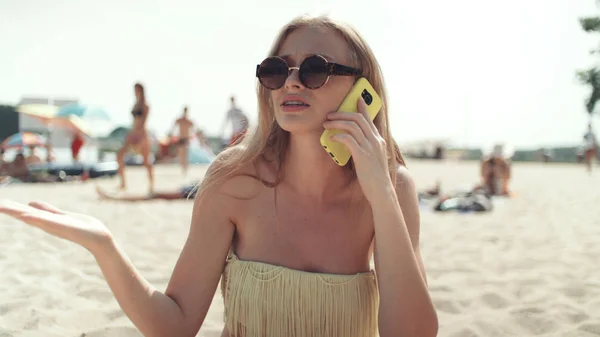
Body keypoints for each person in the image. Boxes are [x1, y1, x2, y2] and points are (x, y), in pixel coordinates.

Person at [0, 15, 437, 337]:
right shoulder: (233, 181)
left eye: (315, 69)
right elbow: (175, 324)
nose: (291, 82)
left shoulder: (392, 189)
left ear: (363, 91)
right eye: (276, 69)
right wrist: (104, 245)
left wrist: (380, 193)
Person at [116, 83, 155, 192]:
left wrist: (137, 135)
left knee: (146, 162)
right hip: (133, 133)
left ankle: (152, 185)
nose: (135, 92)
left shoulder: (145, 105)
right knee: (119, 156)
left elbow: (143, 123)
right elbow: (134, 122)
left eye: (136, 90)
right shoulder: (135, 104)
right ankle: (123, 184)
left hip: (142, 135)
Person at [95, 183, 198, 201]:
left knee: (154, 195)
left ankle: (113, 197)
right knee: (153, 195)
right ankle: (113, 196)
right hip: (195, 188)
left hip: (195, 190)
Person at [169, 106, 196, 175]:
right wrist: (172, 135)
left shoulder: (189, 121)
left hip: (186, 138)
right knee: (181, 154)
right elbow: (173, 127)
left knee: (185, 154)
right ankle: (183, 168)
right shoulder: (180, 120)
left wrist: (192, 136)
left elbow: (193, 130)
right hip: (181, 138)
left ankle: (185, 169)